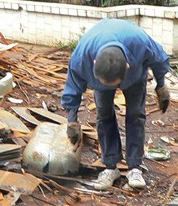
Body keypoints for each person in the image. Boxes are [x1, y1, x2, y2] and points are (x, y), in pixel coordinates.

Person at [61, 18, 171, 190]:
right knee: (104, 115)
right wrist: (72, 120)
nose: (112, 88)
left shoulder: (139, 42)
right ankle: (110, 166)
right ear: (95, 64)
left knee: (136, 115)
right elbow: (72, 86)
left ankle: (135, 167)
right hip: (104, 67)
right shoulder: (83, 56)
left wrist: (161, 85)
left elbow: (159, 59)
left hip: (135, 78)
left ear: (127, 66)